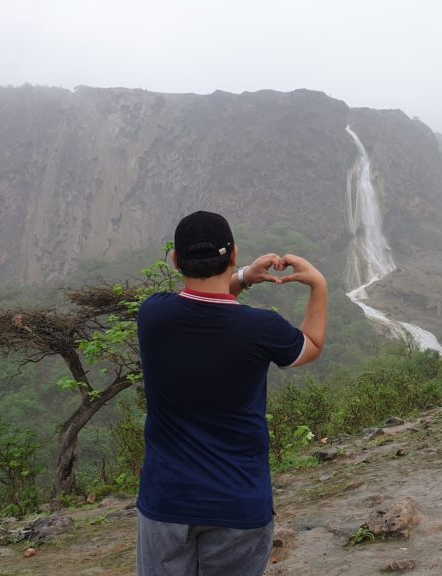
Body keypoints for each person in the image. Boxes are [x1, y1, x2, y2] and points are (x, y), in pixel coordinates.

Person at [135, 210, 328, 576]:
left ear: (176, 260)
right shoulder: (261, 328)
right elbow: (312, 345)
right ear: (234, 254)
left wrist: (241, 279)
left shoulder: (152, 316)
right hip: (238, 503)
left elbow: (200, 305)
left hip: (166, 501)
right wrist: (318, 284)